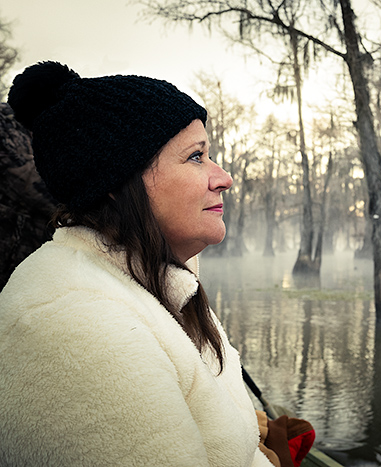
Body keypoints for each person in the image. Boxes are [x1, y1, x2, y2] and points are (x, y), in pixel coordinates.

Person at [0, 61, 307, 467]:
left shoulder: (161, 282)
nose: (224, 177)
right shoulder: (75, 324)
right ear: (115, 182)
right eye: (196, 157)